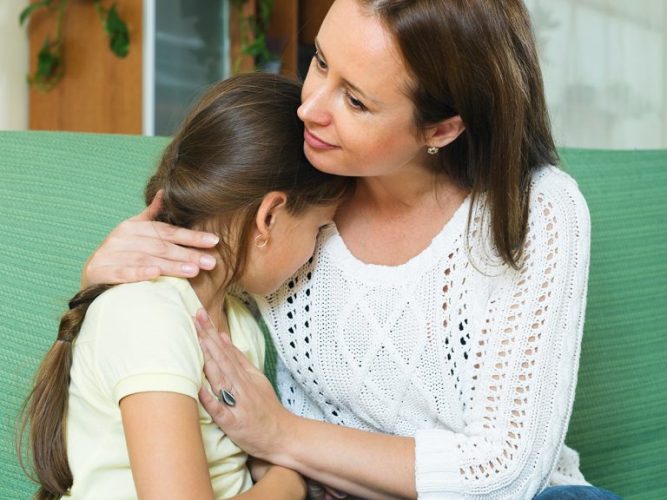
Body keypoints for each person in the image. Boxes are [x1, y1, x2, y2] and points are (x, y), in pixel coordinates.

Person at [81, 1, 621, 499]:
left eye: (356, 100)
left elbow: (507, 471)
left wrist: (283, 436)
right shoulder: (289, 179)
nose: (309, 108)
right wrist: (104, 281)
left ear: (442, 127)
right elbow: (180, 297)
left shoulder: (536, 209)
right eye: (318, 60)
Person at [19, 72, 352, 500]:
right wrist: (290, 483)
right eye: (319, 229)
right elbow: (269, 472)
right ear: (268, 218)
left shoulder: (238, 322)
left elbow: (253, 452)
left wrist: (276, 466)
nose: (315, 252)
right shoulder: (149, 316)